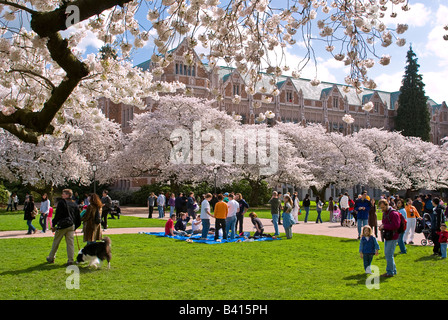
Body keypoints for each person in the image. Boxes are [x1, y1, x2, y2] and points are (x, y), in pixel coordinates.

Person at [47, 189, 81, 266]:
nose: (62, 195)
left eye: (64, 194)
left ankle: (51, 257)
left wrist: (54, 224)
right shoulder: (74, 204)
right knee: (70, 244)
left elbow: (58, 215)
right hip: (71, 225)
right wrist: (75, 226)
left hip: (62, 225)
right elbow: (78, 217)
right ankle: (70, 260)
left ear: (68, 195)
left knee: (56, 242)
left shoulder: (62, 203)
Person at [378, 199, 400, 277]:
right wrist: (382, 226)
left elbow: (396, 225)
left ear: (387, 205)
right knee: (388, 254)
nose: (382, 209)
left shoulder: (394, 213)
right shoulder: (385, 213)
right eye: (381, 208)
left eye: (383, 207)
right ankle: (393, 270)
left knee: (388, 254)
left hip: (393, 236)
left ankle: (390, 272)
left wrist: (385, 226)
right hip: (388, 235)